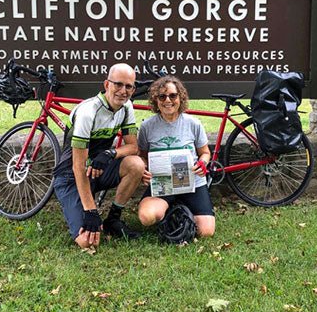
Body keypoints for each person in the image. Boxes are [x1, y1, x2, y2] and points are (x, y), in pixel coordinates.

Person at [52, 63, 144, 248]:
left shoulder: (126, 108)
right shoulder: (88, 111)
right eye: (118, 84)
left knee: (136, 164)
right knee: (87, 242)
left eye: (129, 87)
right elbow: (78, 167)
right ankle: (86, 205)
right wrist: (90, 211)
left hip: (97, 170)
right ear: (106, 84)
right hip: (71, 176)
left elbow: (133, 147)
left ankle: (113, 220)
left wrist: (110, 153)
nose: (123, 91)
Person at [137, 76, 216, 237]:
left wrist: (202, 163)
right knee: (147, 218)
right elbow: (142, 156)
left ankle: (178, 206)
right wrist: (143, 169)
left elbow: (205, 153)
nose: (168, 100)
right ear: (155, 100)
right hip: (163, 184)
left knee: (206, 231)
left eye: (173, 96)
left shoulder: (193, 123)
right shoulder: (147, 127)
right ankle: (171, 207)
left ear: (180, 98)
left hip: (192, 183)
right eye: (162, 96)